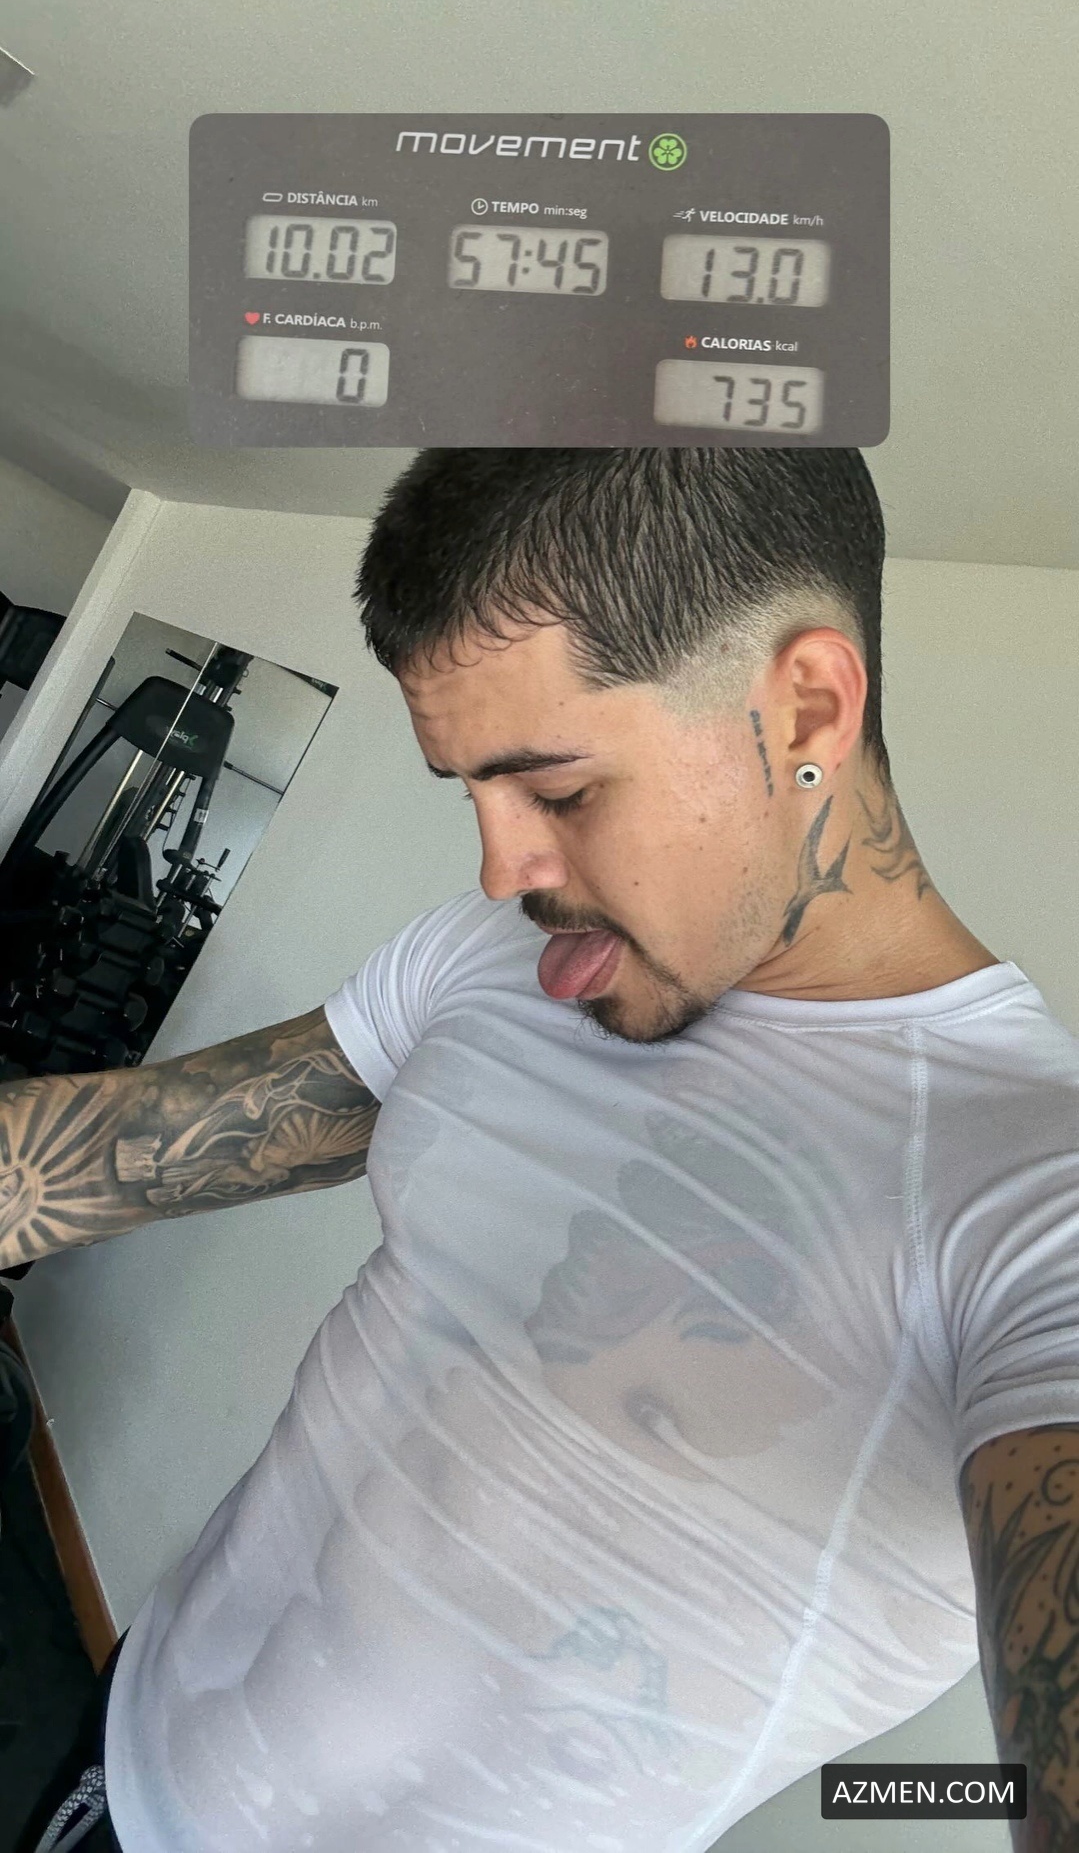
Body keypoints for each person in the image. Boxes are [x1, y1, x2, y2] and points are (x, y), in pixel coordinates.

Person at [5, 446, 1078, 1853]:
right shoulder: (499, 956)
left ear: (808, 707)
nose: (499, 868)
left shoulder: (1032, 1199)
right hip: (128, 1746)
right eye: (470, 791)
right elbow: (120, 1151)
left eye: (559, 792)